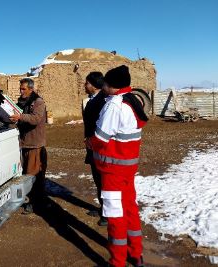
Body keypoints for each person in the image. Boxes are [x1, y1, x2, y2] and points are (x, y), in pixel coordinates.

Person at [89, 65, 148, 267]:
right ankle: (136, 254)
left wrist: (90, 143)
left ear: (112, 86)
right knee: (130, 209)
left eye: (105, 83)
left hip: (112, 170)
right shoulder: (133, 100)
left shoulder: (114, 105)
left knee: (115, 216)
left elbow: (101, 137)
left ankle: (118, 261)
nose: (103, 85)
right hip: (127, 168)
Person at [10, 78, 47, 214]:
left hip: (34, 144)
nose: (21, 91)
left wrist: (20, 117)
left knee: (33, 174)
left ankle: (35, 202)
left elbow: (35, 119)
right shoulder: (21, 102)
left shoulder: (38, 102)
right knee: (26, 173)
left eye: (23, 89)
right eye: (20, 88)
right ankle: (31, 199)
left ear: (31, 89)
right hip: (24, 143)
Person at [82, 71, 108, 226]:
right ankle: (102, 208)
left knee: (103, 180)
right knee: (98, 180)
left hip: (99, 147)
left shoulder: (103, 101)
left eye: (87, 83)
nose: (85, 86)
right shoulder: (93, 100)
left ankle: (107, 213)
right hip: (92, 146)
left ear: (94, 85)